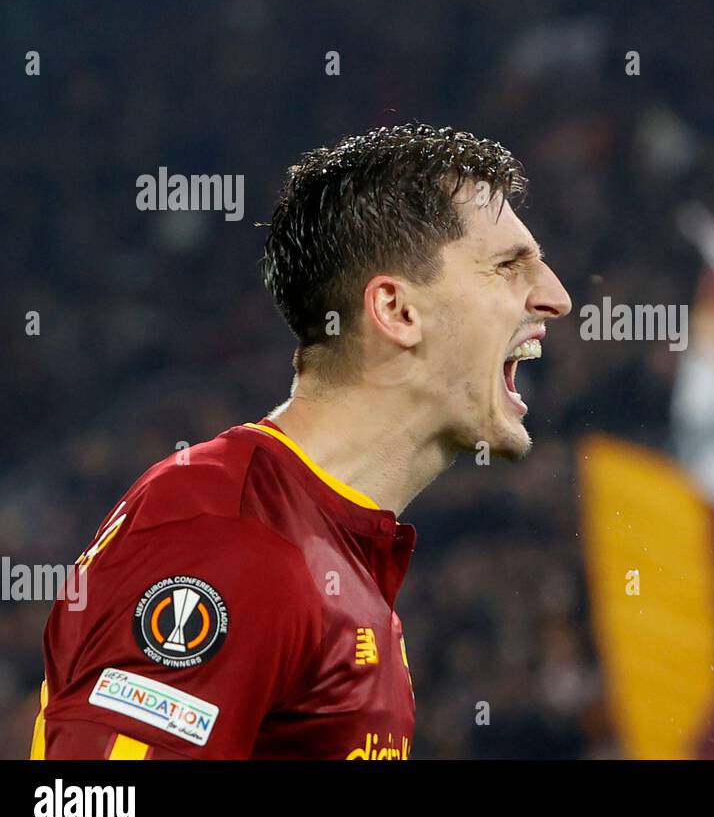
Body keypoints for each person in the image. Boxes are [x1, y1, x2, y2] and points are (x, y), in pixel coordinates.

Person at [31, 122, 572, 759]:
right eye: (509, 266)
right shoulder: (229, 537)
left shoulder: (340, 558)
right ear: (397, 311)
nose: (556, 297)